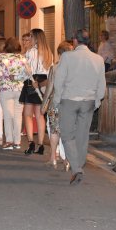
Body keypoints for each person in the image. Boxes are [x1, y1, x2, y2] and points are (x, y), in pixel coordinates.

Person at [53, 29, 106, 185]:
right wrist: (97, 100)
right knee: (83, 136)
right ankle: (79, 164)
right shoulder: (98, 59)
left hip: (69, 100)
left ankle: (77, 168)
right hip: (88, 101)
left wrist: (56, 100)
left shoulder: (67, 57)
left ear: (75, 41)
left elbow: (59, 81)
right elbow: (101, 84)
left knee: (68, 135)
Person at [41, 40, 73, 169]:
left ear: (59, 54)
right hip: (71, 103)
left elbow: (49, 88)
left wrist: (44, 104)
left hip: (56, 102)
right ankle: (67, 159)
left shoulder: (55, 67)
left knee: (54, 130)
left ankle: (53, 158)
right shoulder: (75, 68)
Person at [21, 28, 53, 155]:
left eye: (31, 36)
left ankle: (30, 142)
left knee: (28, 115)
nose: (30, 39)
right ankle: (40, 144)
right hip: (44, 83)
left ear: (35, 38)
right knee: (40, 115)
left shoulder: (31, 52)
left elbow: (27, 70)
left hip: (31, 82)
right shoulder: (48, 52)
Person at [0, 37, 29, 150]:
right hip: (19, 90)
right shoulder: (22, 58)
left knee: (8, 116)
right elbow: (28, 73)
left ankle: (9, 141)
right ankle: (17, 142)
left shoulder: (3, 57)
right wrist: (18, 78)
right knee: (18, 115)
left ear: (6, 47)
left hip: (5, 89)